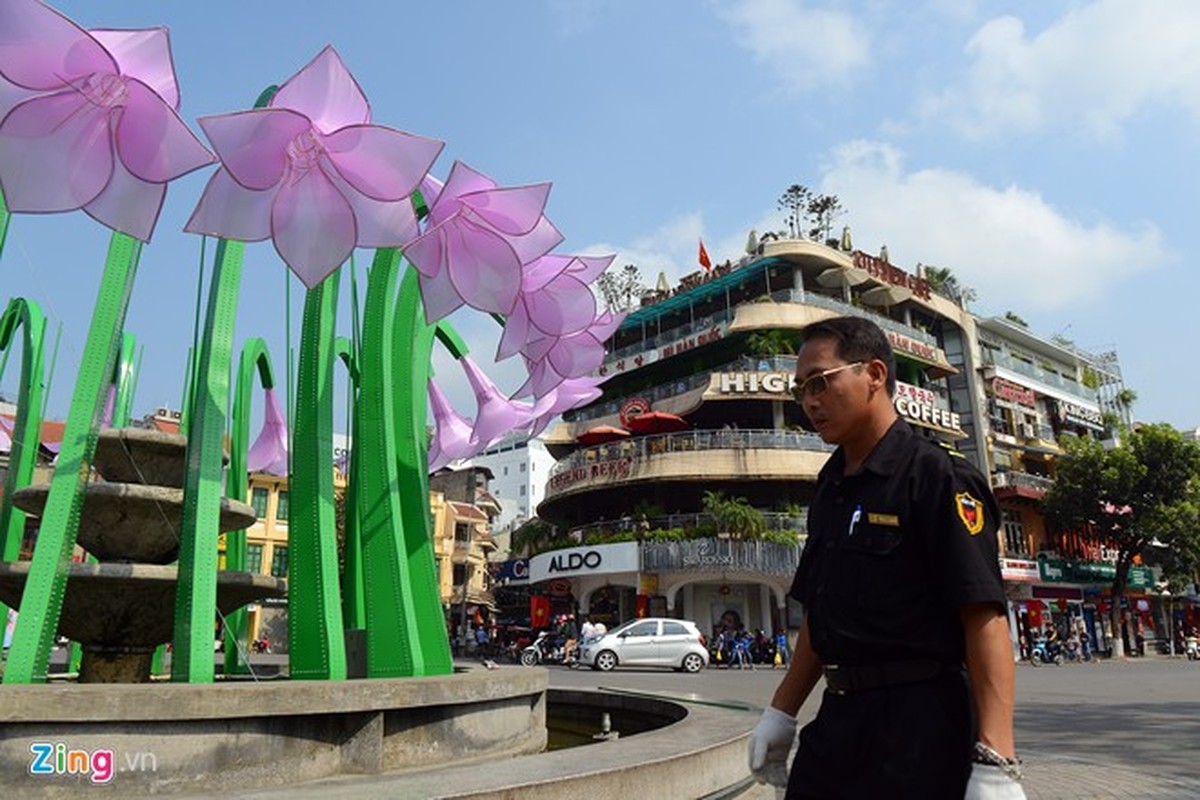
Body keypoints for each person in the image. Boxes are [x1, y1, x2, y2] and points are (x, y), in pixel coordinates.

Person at [747, 316, 1024, 800]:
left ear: (874, 374)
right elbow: (821, 609)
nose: (809, 401)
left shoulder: (937, 478)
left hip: (920, 724)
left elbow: (983, 614)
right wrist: (781, 712)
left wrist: (997, 758)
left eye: (820, 382)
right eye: (800, 390)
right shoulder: (831, 485)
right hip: (839, 718)